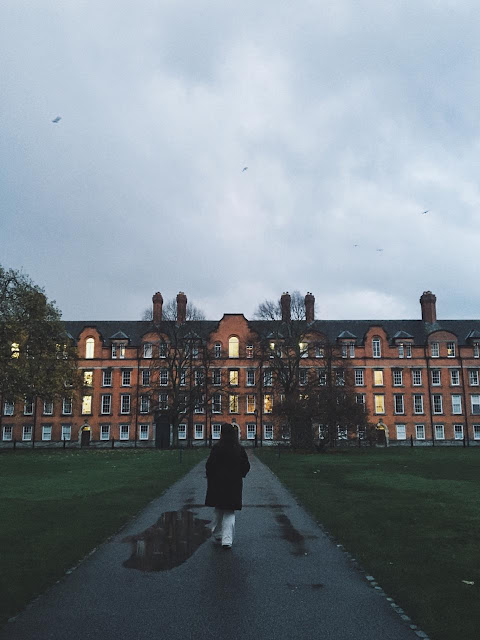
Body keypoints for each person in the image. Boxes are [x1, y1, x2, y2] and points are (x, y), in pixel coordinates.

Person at [205, 422, 250, 549]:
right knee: (229, 512)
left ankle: (217, 534)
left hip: (217, 483)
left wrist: (211, 476)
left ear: (222, 434)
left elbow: (209, 465)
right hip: (233, 484)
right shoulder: (239, 449)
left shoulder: (216, 448)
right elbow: (246, 466)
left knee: (218, 509)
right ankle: (227, 540)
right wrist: (240, 474)